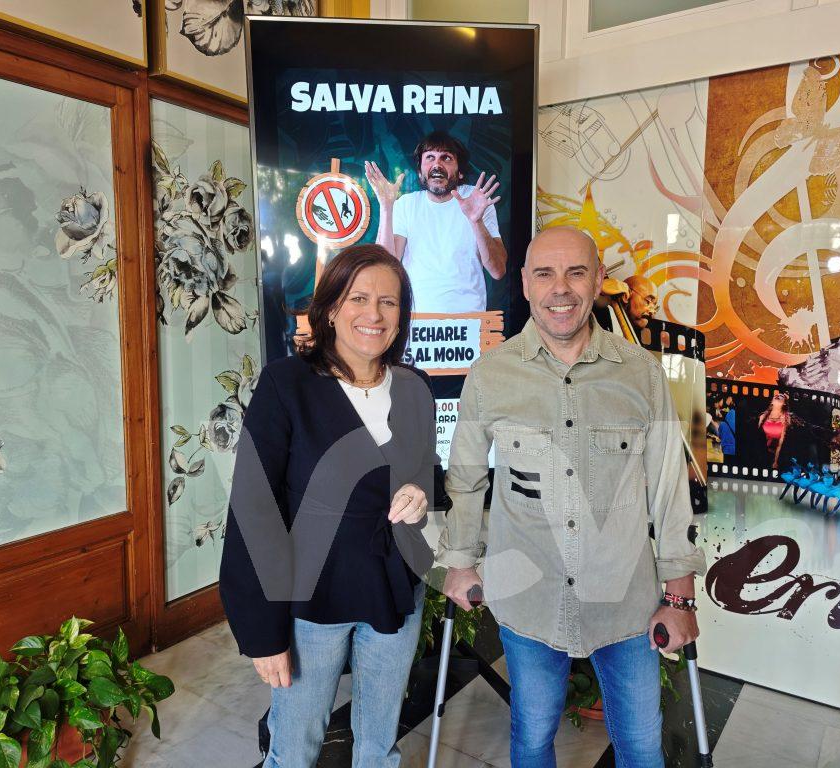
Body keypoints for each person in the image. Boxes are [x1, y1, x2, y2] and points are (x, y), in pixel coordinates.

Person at [437, 226, 705, 768]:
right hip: (529, 600)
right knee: (533, 739)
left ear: (599, 280)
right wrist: (460, 562)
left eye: (576, 272)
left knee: (641, 748)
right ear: (525, 284)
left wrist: (679, 597)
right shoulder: (490, 375)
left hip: (626, 606)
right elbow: (466, 477)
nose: (560, 289)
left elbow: (669, 488)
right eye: (545, 274)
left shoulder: (642, 375)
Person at [219, 244, 442, 768]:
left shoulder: (415, 388)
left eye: (388, 302)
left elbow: (428, 469)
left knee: (379, 748)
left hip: (394, 590)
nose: (374, 314)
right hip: (311, 599)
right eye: (358, 298)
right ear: (331, 308)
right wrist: (263, 633)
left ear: (402, 314)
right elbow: (254, 509)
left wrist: (422, 491)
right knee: (294, 751)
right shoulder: (286, 384)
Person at [364, 131, 507, 313]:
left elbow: (497, 270)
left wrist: (476, 221)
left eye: (446, 158)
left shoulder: (477, 200)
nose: (437, 164)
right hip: (416, 321)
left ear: (460, 172)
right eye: (430, 157)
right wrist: (386, 207)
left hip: (469, 320)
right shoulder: (406, 204)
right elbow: (384, 267)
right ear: (420, 172)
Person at [758, 393, 791, 470]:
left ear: (784, 403)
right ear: (772, 402)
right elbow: (757, 436)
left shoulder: (786, 418)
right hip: (763, 451)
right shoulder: (763, 416)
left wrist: (775, 461)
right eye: (775, 396)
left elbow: (781, 442)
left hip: (778, 453)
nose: (777, 396)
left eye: (781, 396)